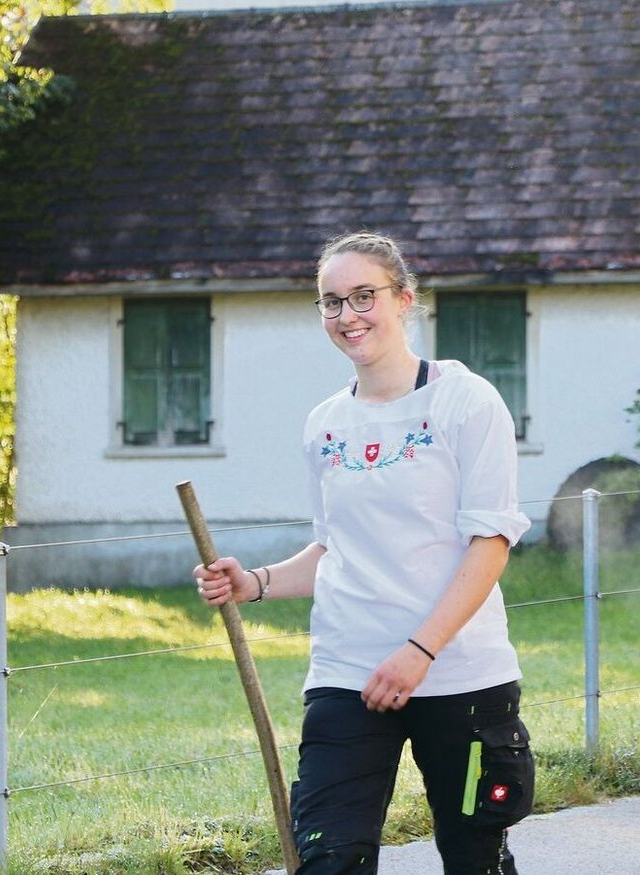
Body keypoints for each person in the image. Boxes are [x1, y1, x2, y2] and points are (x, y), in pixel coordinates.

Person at [194, 231, 534, 874]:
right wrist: (254, 582)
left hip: (460, 680)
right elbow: (332, 548)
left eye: (363, 297)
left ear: (405, 299)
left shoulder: (465, 401)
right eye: (330, 302)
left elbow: (489, 544)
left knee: (474, 857)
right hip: (347, 674)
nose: (347, 316)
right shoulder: (324, 423)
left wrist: (419, 652)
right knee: (328, 857)